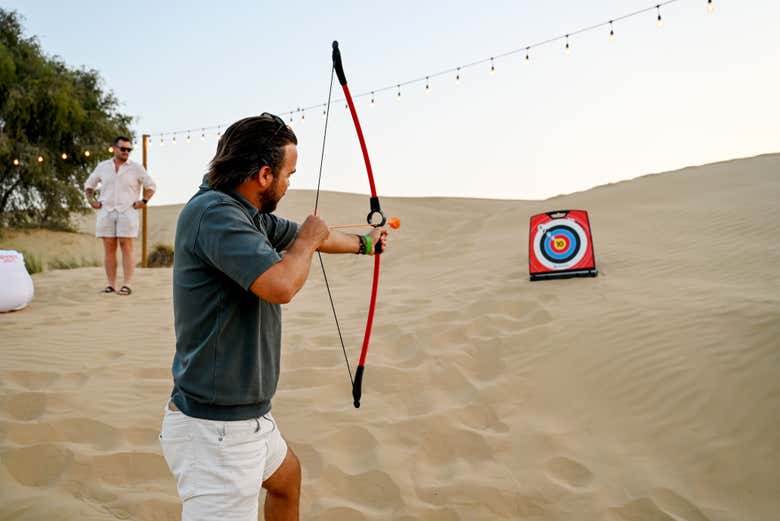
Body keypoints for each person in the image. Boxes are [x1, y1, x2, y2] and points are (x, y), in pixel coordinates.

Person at [160, 113, 388, 521]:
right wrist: (307, 241)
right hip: (217, 434)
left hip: (248, 418)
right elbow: (281, 285)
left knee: (286, 481)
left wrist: (365, 244)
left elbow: (312, 235)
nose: (289, 183)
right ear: (265, 175)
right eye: (289, 174)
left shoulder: (248, 215)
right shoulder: (215, 214)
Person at [84, 136, 156, 295]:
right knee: (109, 248)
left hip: (127, 211)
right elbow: (89, 186)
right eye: (123, 149)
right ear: (114, 148)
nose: (126, 152)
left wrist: (143, 201)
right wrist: (92, 201)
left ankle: (127, 285)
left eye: (129, 149)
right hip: (106, 211)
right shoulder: (103, 166)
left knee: (127, 246)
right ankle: (111, 285)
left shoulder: (136, 167)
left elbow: (151, 186)